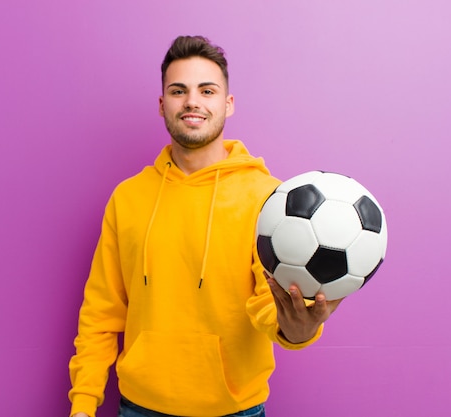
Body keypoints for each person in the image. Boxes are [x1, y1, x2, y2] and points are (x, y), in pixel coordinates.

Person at [69, 35, 342, 417]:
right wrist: (83, 402)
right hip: (139, 406)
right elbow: (101, 311)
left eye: (207, 90)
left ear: (227, 104)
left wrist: (297, 329)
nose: (192, 101)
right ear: (162, 105)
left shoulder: (268, 199)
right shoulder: (128, 198)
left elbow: (269, 301)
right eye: (178, 91)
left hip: (234, 410)